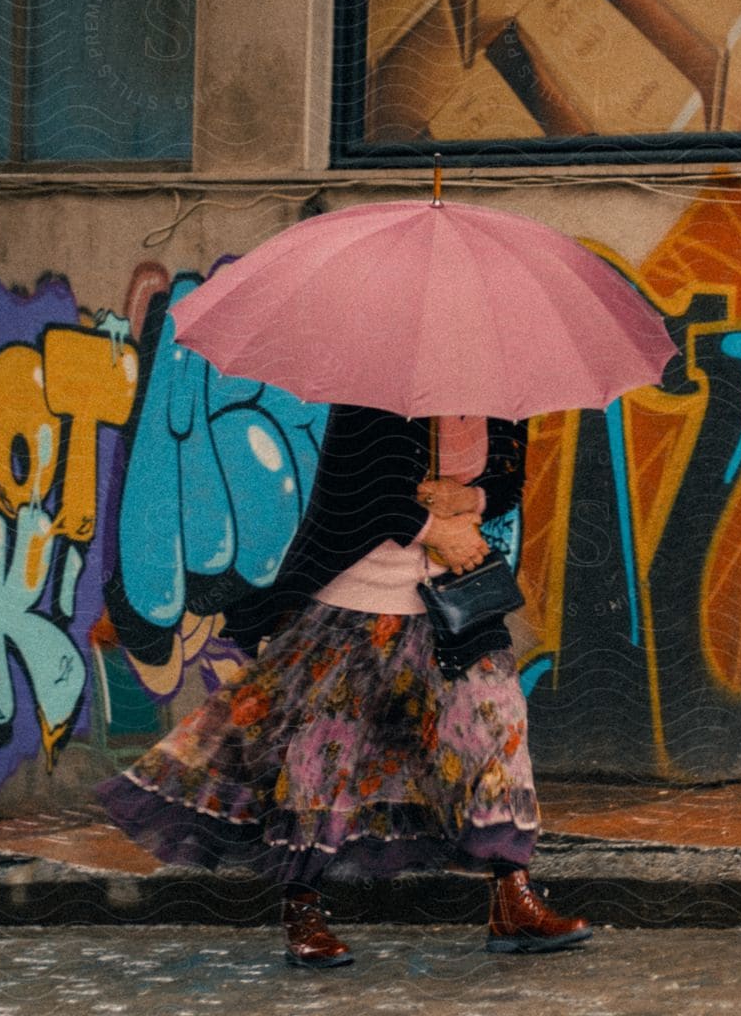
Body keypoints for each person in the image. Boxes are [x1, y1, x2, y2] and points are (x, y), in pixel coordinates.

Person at [96, 404, 590, 968]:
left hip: (457, 609)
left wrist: (468, 502)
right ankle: (302, 906)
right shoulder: (376, 392)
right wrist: (432, 528)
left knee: (496, 731)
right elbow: (352, 488)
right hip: (360, 601)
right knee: (325, 759)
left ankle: (512, 898)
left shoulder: (499, 391)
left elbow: (506, 481)